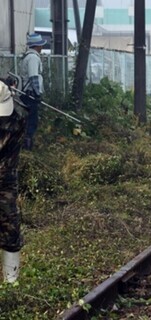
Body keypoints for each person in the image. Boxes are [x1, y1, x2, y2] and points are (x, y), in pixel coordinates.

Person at [0, 80, 28, 283]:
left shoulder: (18, 117)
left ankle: (12, 283)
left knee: (10, 227)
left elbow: (10, 155)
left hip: (5, 176)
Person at [20, 33, 47, 150]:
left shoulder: (29, 56)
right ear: (37, 46)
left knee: (29, 120)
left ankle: (26, 143)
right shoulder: (33, 58)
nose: (42, 48)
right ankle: (27, 145)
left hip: (27, 93)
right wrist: (37, 93)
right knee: (32, 121)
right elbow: (33, 77)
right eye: (41, 45)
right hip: (30, 94)